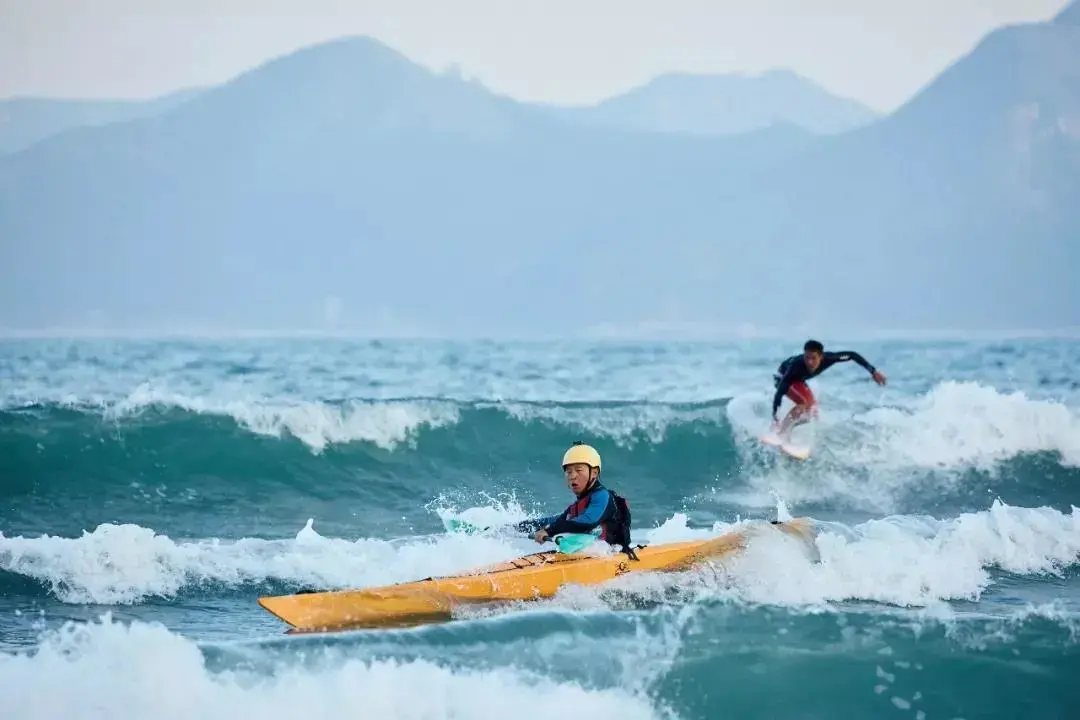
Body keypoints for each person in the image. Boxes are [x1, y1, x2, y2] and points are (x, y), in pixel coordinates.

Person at [515, 441, 637, 559]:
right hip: (594, 555)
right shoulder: (577, 506)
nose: (572, 476)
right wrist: (518, 527)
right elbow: (555, 521)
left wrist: (549, 531)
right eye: (568, 472)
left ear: (594, 473)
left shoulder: (603, 496)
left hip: (613, 554)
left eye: (579, 470)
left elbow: (587, 522)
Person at [771, 339, 887, 435]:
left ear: (821, 357)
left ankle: (789, 428)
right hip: (782, 378)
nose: (810, 362)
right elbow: (779, 394)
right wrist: (775, 417)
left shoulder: (830, 358)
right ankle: (781, 433)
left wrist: (873, 372)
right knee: (803, 403)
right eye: (807, 357)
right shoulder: (795, 365)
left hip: (798, 380)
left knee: (812, 411)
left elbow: (852, 355)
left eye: (813, 358)